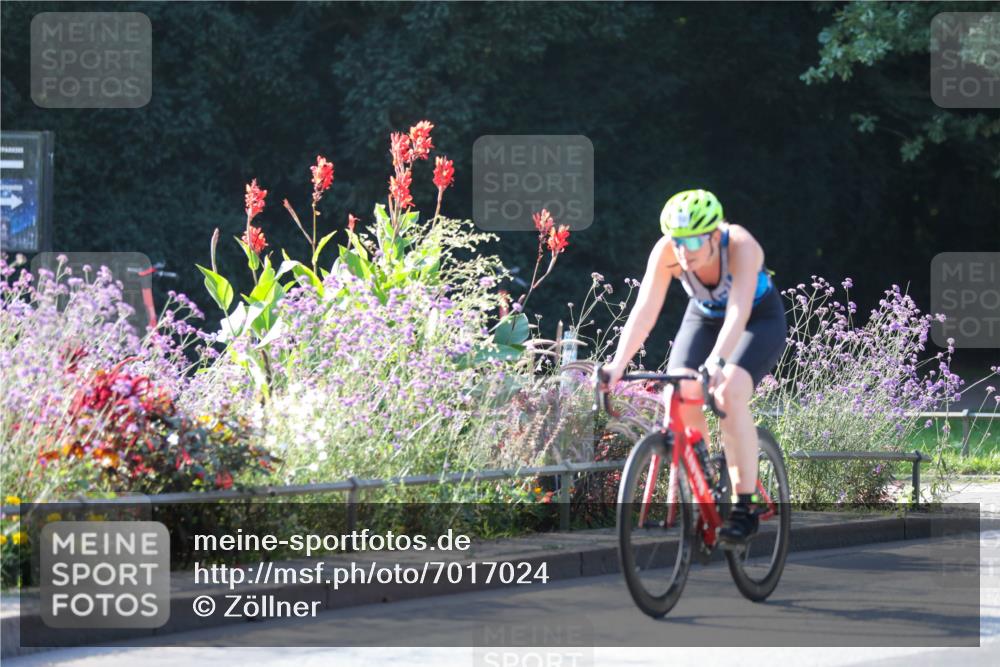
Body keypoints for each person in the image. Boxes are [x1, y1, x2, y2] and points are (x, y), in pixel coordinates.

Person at [599, 189, 787, 546]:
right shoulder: (666, 252)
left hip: (757, 319)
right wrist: (617, 365)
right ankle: (704, 482)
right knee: (679, 391)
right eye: (678, 241)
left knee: (728, 392)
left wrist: (717, 362)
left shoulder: (742, 245)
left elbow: (738, 312)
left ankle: (744, 506)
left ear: (715, 235)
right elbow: (644, 311)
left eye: (695, 241)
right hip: (704, 317)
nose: (684, 251)